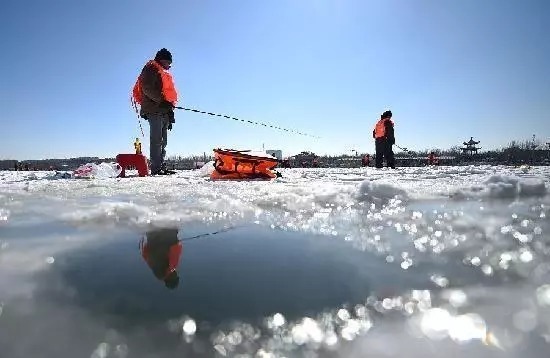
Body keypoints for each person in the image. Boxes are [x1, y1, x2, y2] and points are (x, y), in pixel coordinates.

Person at [132, 48, 178, 175]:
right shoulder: (150, 69)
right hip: (154, 109)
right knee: (156, 139)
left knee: (164, 141)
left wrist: (170, 112)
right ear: (163, 60)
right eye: (168, 62)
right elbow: (146, 88)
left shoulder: (160, 71)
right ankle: (156, 168)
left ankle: (161, 166)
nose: (169, 65)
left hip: (163, 110)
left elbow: (166, 95)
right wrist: (161, 101)